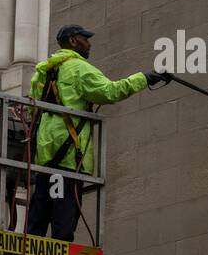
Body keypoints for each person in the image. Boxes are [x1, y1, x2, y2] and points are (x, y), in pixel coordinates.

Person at [27, 24, 166, 241]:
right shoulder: (79, 68)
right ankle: (60, 252)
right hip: (69, 153)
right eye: (85, 39)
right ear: (73, 41)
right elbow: (110, 92)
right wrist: (145, 78)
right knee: (64, 215)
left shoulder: (44, 71)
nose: (89, 43)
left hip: (45, 152)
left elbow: (32, 109)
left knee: (40, 210)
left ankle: (32, 250)